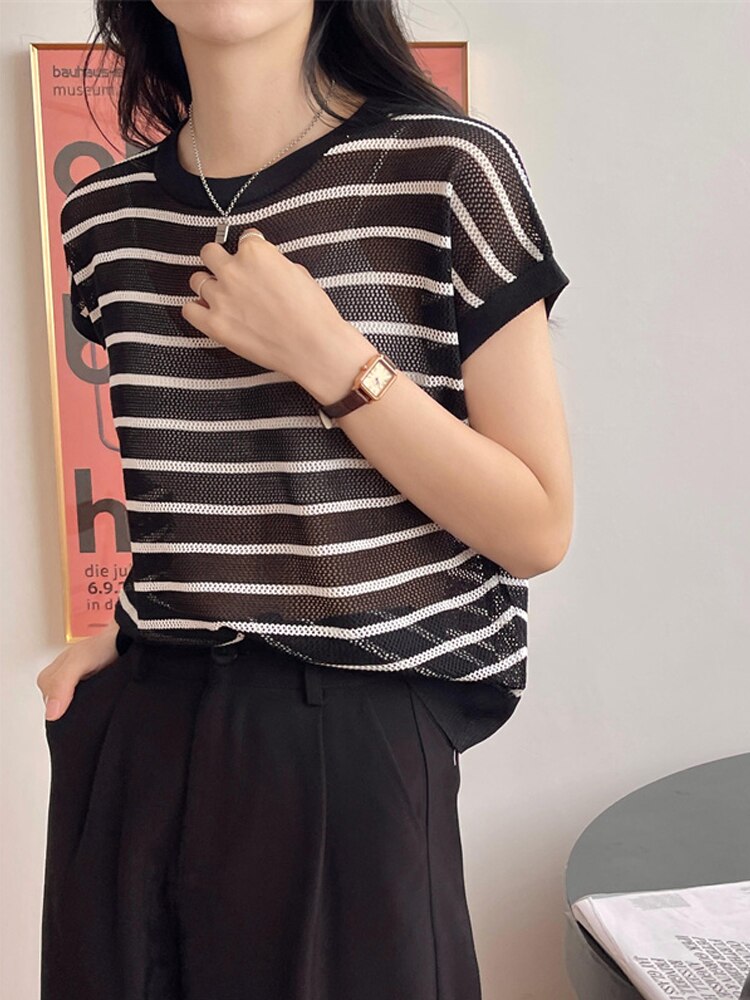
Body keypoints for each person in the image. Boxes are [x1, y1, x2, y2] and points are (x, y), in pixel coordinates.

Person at [37, 1, 574, 997]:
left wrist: (327, 355)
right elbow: (213, 486)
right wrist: (135, 629)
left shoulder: (446, 169)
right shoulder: (105, 216)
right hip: (146, 725)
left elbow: (536, 525)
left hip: (353, 733)